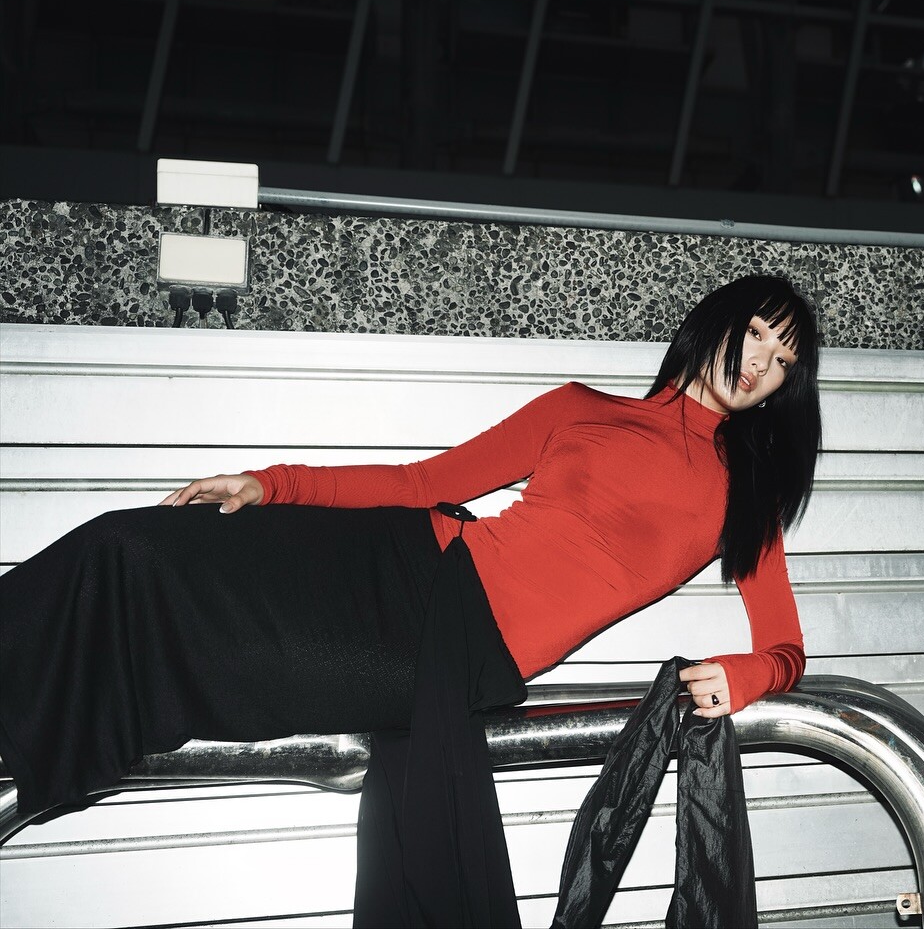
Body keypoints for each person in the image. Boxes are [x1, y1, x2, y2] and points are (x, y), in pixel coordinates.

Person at [0, 273, 821, 926]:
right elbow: (421, 480)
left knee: (229, 662)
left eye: (783, 362)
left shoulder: (746, 496)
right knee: (128, 546)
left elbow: (786, 648)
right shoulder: (580, 408)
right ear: (718, 321)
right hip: (402, 555)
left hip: (454, 645)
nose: (761, 364)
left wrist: (746, 675)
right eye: (758, 333)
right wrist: (272, 483)